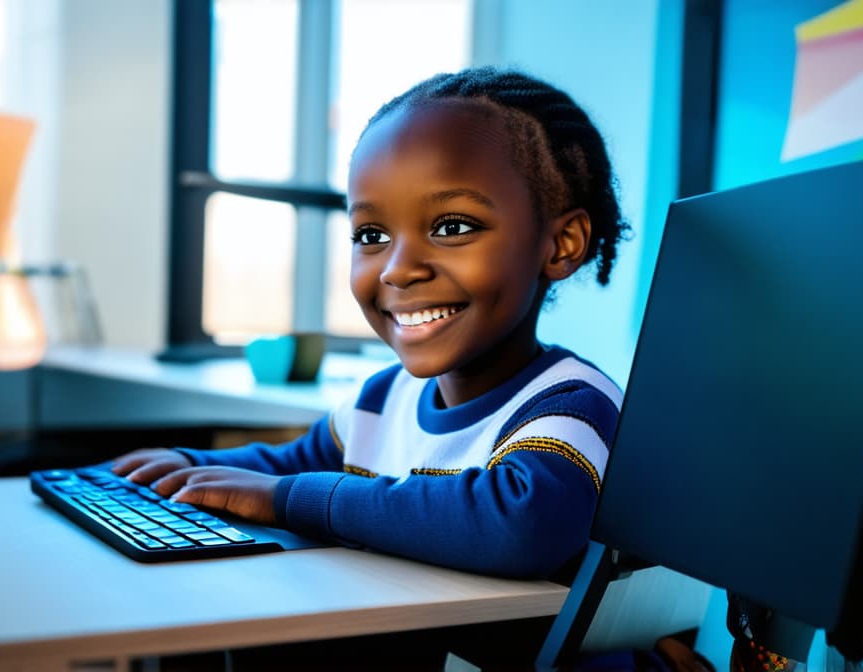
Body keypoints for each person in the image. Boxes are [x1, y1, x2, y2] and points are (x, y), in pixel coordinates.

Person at [112, 66, 631, 581]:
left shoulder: (573, 404)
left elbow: (522, 523)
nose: (397, 269)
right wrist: (177, 466)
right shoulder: (383, 400)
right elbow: (290, 463)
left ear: (562, 245)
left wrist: (287, 500)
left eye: (452, 227)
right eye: (370, 235)